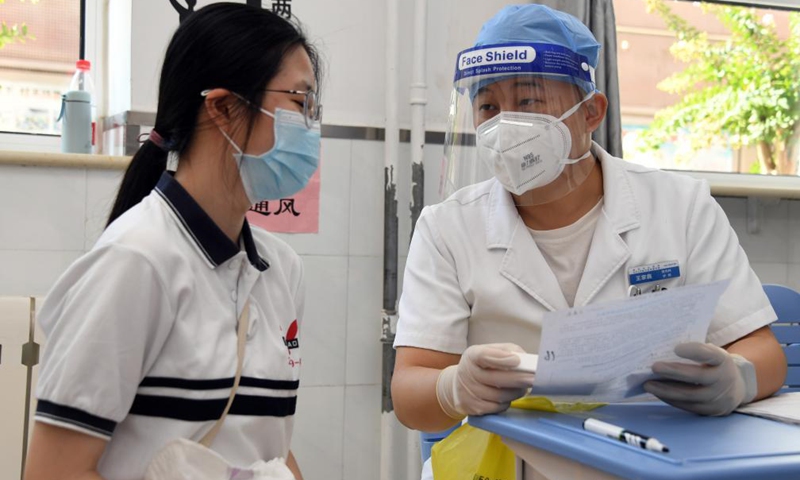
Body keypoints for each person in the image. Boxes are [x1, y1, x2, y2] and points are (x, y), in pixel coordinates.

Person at [392, 3, 787, 446]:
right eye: (488, 107)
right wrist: (453, 387)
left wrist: (736, 379)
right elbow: (409, 394)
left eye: (528, 100)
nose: (504, 126)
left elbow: (765, 354)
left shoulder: (680, 205)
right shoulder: (447, 228)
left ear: (591, 113)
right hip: (503, 459)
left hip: (650, 453)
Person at [24, 3, 322, 479]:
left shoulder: (279, 269)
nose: (311, 126)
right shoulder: (135, 263)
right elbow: (53, 472)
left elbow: (268, 447)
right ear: (223, 107)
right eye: (299, 102)